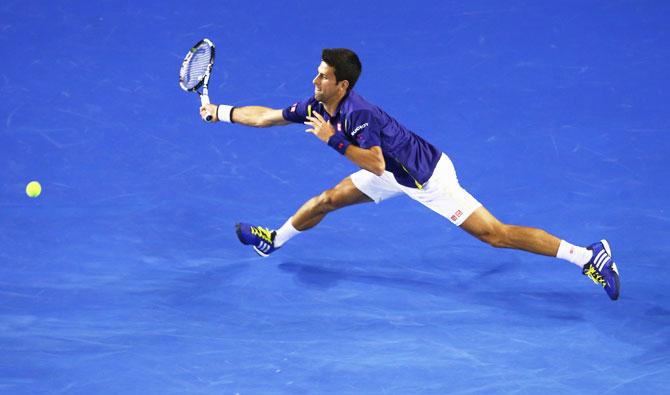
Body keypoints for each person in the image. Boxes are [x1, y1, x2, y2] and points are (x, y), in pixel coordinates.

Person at [199, 48, 620, 301]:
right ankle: (273, 241)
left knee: (495, 235)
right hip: (390, 172)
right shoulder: (314, 105)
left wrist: (331, 139)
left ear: (342, 85)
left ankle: (587, 256)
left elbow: (375, 163)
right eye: (317, 71)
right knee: (328, 199)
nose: (315, 79)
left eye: (324, 76)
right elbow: (267, 118)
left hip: (426, 178)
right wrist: (220, 112)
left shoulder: (356, 114)